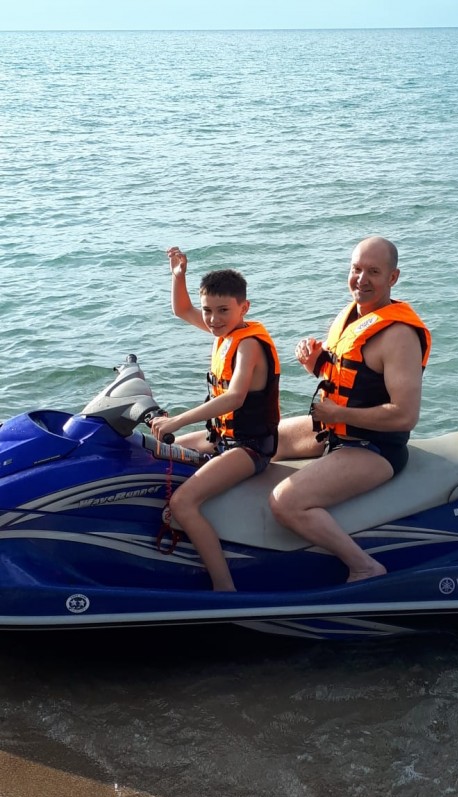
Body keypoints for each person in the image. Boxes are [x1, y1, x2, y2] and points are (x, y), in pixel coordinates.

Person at [269, 236, 431, 582]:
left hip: (374, 448)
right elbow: (352, 381)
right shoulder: (353, 317)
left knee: (285, 502)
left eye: (374, 271)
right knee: (260, 438)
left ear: (393, 277)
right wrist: (315, 363)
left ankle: (364, 566)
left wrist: (340, 415)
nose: (361, 279)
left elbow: (405, 415)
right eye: (356, 269)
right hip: (334, 432)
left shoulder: (399, 336)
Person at [151, 247, 280, 591]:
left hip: (250, 448)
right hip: (221, 438)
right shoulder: (223, 333)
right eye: (208, 310)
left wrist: (177, 420)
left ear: (244, 308)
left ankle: (224, 587)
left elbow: (234, 397)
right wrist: (178, 276)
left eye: (223, 311)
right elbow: (182, 310)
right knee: (156, 453)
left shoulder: (248, 345)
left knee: (183, 502)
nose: (212, 319)